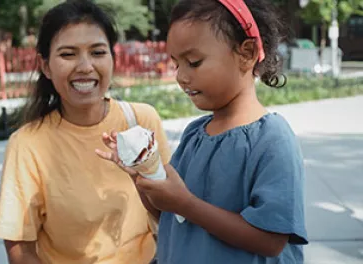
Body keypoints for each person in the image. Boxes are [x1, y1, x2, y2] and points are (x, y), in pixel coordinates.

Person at [97, 0, 308, 263]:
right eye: (176, 64)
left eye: (193, 62)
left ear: (247, 53)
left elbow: (272, 240)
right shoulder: (195, 133)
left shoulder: (272, 139)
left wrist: (186, 204)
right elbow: (169, 214)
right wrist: (142, 175)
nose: (180, 76)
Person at [0, 1, 171, 263]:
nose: (86, 66)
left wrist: (145, 187)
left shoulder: (142, 120)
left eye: (98, 52)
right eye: (68, 54)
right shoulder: (27, 144)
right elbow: (20, 248)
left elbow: (170, 215)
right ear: (45, 66)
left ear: (113, 57)